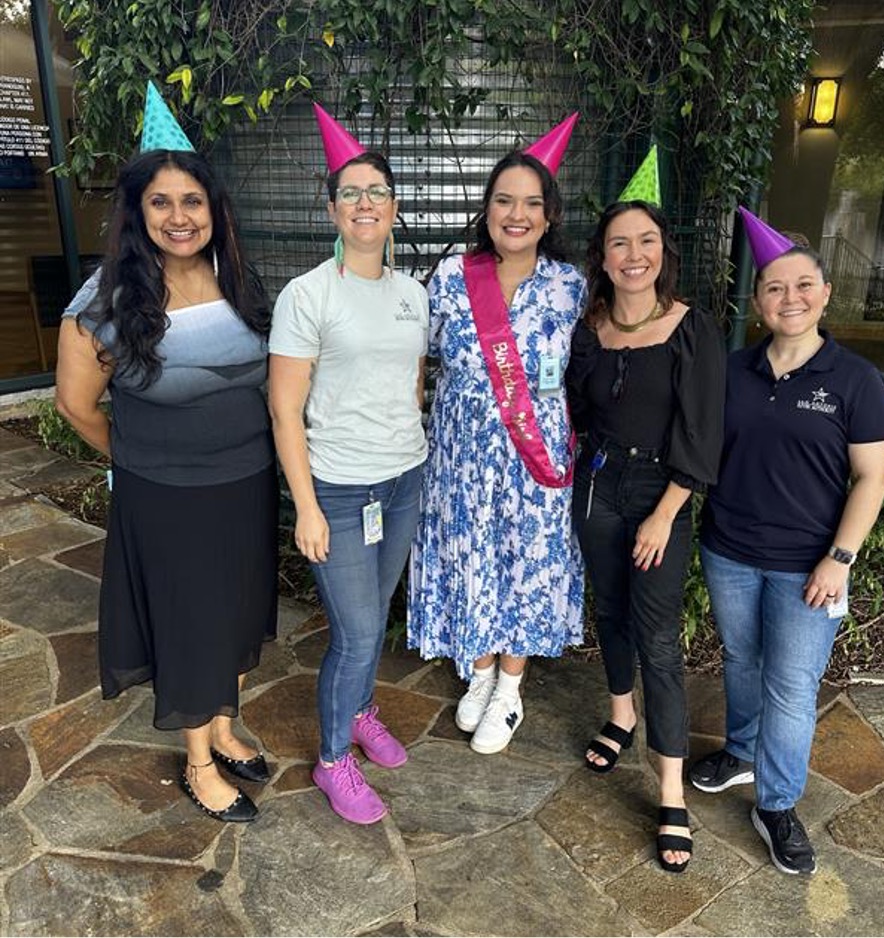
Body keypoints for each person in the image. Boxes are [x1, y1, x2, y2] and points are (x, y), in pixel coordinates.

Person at [54, 84, 278, 824]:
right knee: (188, 621)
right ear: (138, 212)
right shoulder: (106, 300)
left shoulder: (236, 281)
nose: (179, 217)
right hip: (167, 496)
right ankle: (198, 762)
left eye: (193, 202)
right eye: (161, 202)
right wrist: (142, 456)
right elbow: (75, 405)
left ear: (214, 212)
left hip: (243, 485)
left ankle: (221, 721)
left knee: (231, 612)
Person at [688, 207, 884, 876]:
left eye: (803, 285)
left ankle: (776, 804)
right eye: (774, 287)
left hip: (811, 565)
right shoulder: (735, 372)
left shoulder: (856, 381)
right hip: (729, 550)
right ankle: (741, 752)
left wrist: (841, 558)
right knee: (741, 660)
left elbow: (871, 480)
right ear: (759, 300)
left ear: (825, 293)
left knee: (792, 686)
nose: (789, 298)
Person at [565, 153, 726, 873]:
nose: (633, 255)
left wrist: (666, 513)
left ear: (664, 253)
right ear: (603, 258)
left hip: (662, 496)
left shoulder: (692, 329)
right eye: (619, 243)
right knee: (612, 613)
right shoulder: (589, 326)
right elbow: (573, 408)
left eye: (646, 242)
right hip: (597, 489)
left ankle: (669, 792)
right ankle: (621, 714)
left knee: (659, 638)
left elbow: (702, 431)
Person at [268, 104, 428, 825]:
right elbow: (284, 409)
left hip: (403, 480)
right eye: (351, 193)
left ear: (394, 207)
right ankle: (334, 757)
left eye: (377, 192)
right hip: (335, 487)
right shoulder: (307, 295)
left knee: (375, 619)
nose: (365, 203)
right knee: (358, 632)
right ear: (332, 208)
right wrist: (304, 504)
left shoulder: (413, 295)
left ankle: (361, 710)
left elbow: (411, 384)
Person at [408, 114, 586, 756]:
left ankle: (510, 689)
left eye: (531, 203)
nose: (517, 214)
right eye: (504, 200)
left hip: (534, 456)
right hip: (462, 454)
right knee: (472, 557)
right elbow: (414, 356)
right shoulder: (453, 277)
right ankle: (479, 673)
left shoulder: (571, 287)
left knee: (525, 561)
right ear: (486, 210)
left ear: (549, 216)